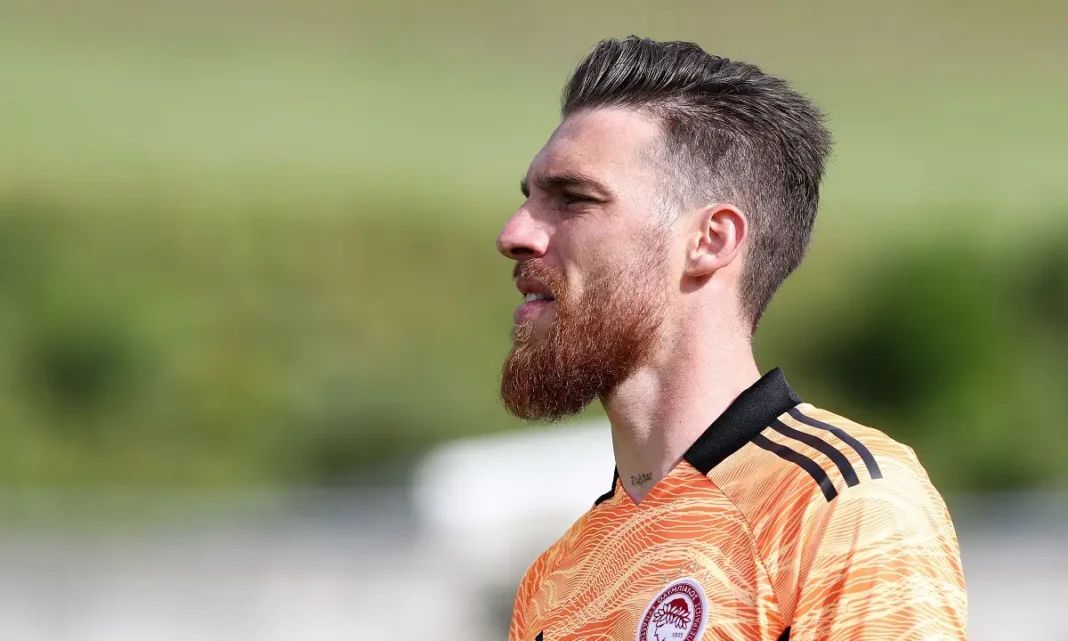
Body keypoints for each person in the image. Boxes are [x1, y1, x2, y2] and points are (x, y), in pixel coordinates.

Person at [496, 37, 966, 641]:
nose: (514, 233)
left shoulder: (841, 507)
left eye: (574, 199)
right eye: (529, 199)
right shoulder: (555, 580)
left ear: (710, 241)